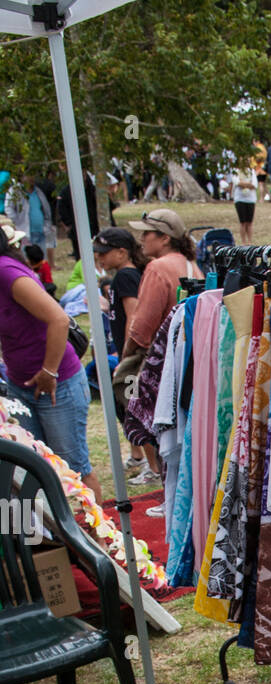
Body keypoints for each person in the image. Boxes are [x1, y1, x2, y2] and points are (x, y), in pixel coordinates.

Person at [0, 222, 97, 496]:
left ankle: (95, 525)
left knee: (72, 472)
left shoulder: (6, 272)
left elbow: (59, 319)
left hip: (57, 383)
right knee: (31, 469)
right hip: (19, 384)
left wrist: (49, 372)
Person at [121, 208, 202, 502]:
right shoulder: (191, 266)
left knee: (156, 428)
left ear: (164, 237)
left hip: (162, 367)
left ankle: (166, 490)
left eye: (147, 233)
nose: (142, 239)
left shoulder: (157, 268)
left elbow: (142, 328)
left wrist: (126, 355)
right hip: (191, 361)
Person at [92, 227, 147, 472]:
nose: (99, 258)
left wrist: (126, 356)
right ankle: (140, 458)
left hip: (132, 358)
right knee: (129, 408)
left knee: (135, 410)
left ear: (122, 252)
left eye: (104, 252)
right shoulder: (125, 276)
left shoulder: (125, 277)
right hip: (130, 355)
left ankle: (151, 466)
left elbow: (133, 317)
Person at [230, 162, 258, 244]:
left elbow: (254, 184)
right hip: (240, 199)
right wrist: (248, 184)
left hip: (250, 199)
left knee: (249, 222)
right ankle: (243, 242)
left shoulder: (252, 171)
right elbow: (237, 183)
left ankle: (250, 242)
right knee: (242, 222)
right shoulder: (235, 171)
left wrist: (243, 184)